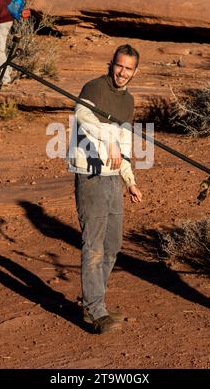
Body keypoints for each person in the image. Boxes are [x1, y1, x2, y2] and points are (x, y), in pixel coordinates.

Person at [68, 44, 142, 334]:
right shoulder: (94, 88)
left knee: (112, 246)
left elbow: (123, 145)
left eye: (129, 69)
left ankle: (95, 301)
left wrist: (130, 179)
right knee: (94, 246)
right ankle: (94, 310)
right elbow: (83, 117)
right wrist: (108, 138)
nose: (122, 73)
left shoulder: (128, 102)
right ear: (112, 64)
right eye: (119, 66)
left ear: (135, 71)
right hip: (91, 175)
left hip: (113, 179)